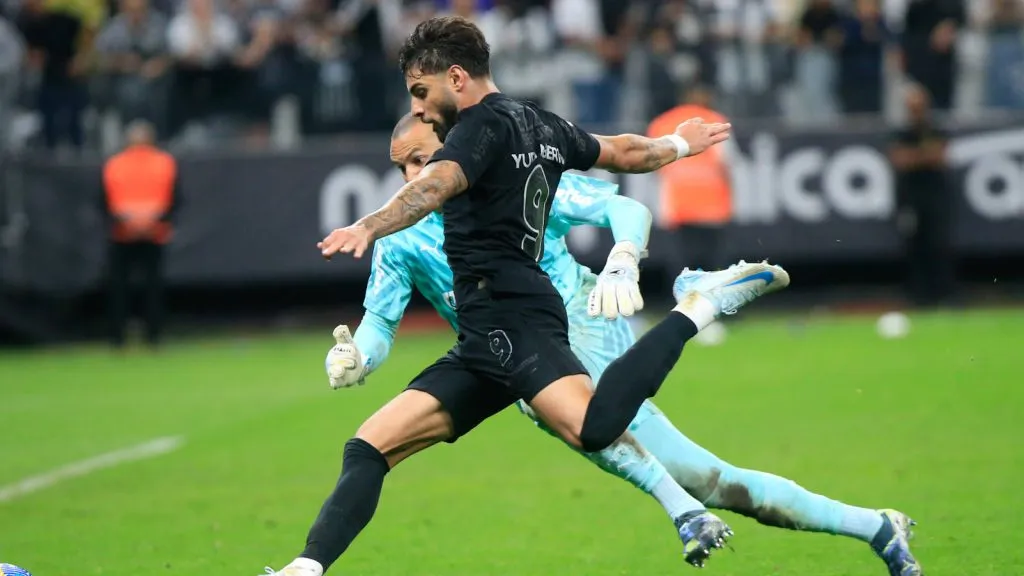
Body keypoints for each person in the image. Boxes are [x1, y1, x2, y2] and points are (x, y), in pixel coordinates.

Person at [268, 114, 924, 576]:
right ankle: (872, 526)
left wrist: (623, 257)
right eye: (402, 166)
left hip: (576, 316)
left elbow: (624, 208)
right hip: (497, 346)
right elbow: (380, 322)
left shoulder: (504, 184)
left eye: (422, 160)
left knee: (591, 425)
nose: (413, 175)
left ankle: (695, 330)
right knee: (711, 479)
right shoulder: (403, 234)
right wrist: (358, 355)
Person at [278, 16, 788, 575]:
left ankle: (696, 308)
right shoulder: (536, 122)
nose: (419, 109)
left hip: (515, 316)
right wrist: (677, 143)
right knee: (370, 445)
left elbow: (434, 186)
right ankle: (305, 568)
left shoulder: (475, 130)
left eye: (421, 93)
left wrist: (368, 225)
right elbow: (620, 151)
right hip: (483, 332)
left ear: (456, 78)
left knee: (594, 429)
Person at [100, 120, 180, 348]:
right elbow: (174, 199)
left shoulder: (115, 164)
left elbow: (104, 201)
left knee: (121, 288)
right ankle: (153, 336)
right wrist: (153, 219)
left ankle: (118, 338)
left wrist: (126, 220)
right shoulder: (164, 162)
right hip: (153, 231)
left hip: (123, 231)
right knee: (151, 287)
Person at [889, 83, 954, 307]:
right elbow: (900, 160)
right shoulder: (902, 133)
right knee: (914, 246)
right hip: (911, 199)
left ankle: (943, 294)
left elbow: (941, 157)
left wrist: (915, 156)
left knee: (939, 244)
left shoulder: (935, 130)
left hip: (935, 197)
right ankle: (918, 296)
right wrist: (925, 155)